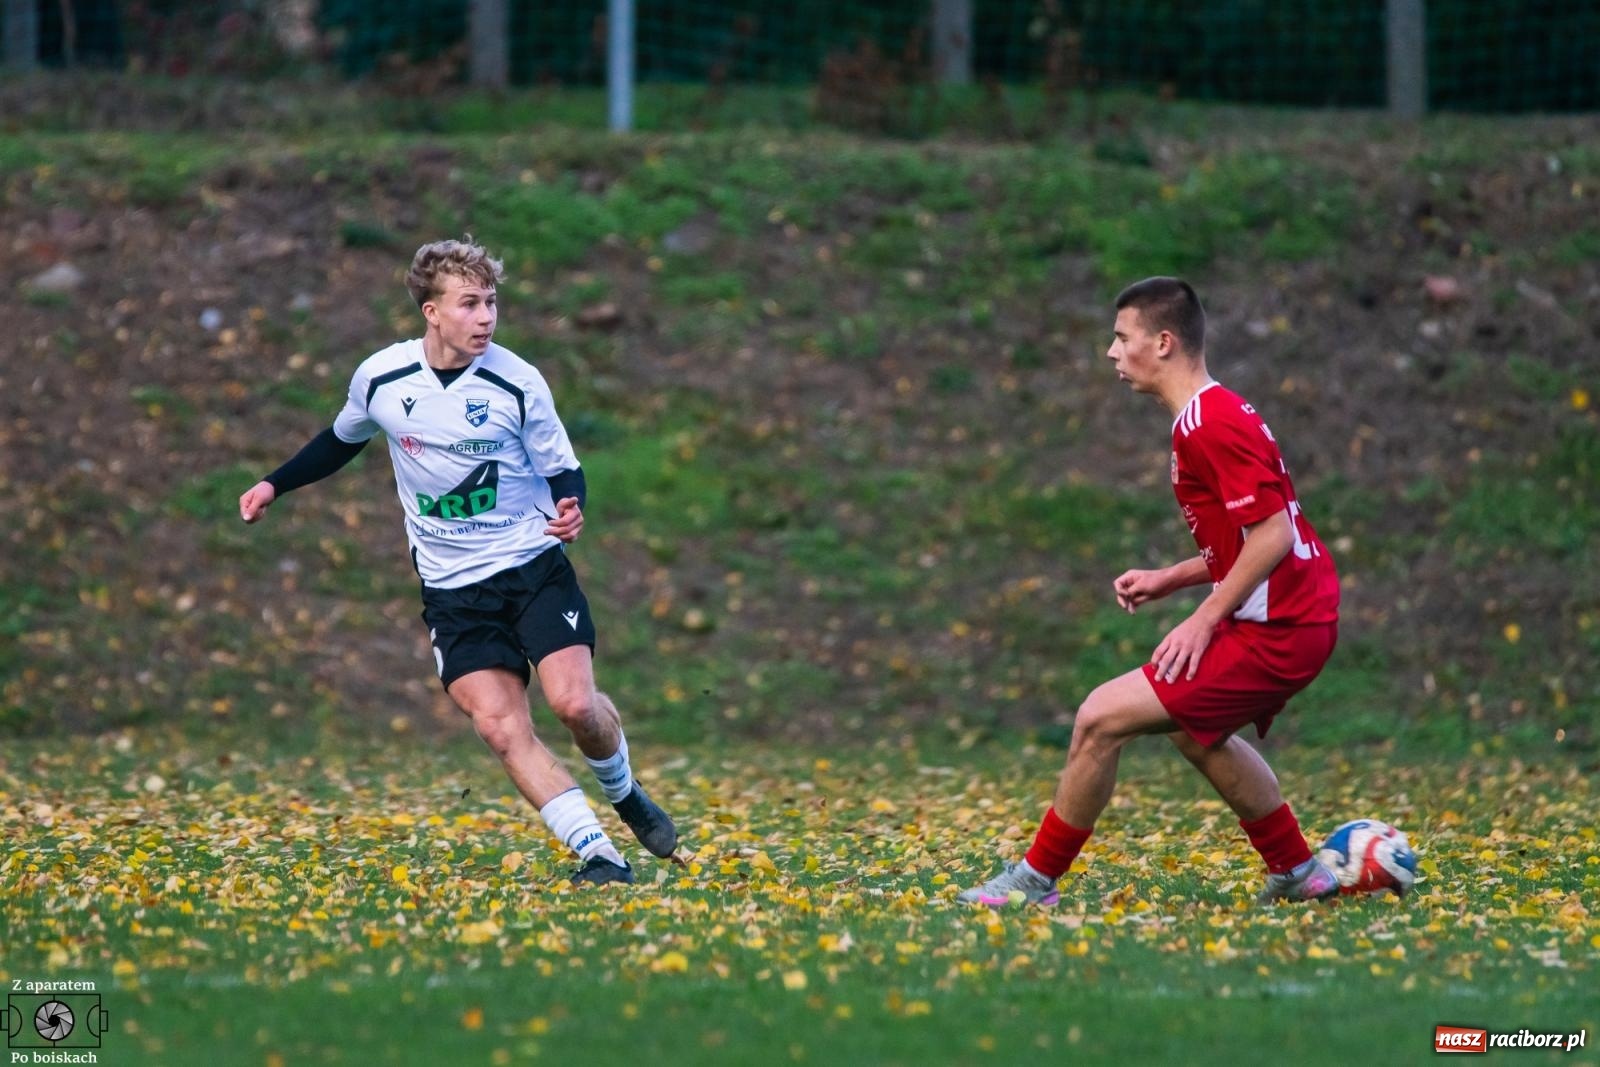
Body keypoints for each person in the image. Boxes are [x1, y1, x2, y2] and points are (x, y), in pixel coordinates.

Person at [239, 237, 678, 886]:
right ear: (431, 312)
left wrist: (570, 504)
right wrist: (274, 482)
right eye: (469, 303)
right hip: (452, 590)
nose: (485, 318)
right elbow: (341, 439)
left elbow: (563, 467)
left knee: (576, 706)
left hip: (531, 567)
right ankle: (601, 856)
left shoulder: (516, 380)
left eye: (492, 303)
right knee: (501, 727)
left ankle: (627, 793)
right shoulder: (383, 377)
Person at [959, 277, 1342, 907]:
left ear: (1163, 342)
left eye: (1121, 337)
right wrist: (1172, 578)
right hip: (1291, 617)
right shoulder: (1212, 414)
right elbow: (1256, 534)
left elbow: (1273, 534)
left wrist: (1204, 618)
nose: (1111, 351)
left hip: (1282, 629)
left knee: (1098, 719)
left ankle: (1034, 882)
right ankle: (1298, 872)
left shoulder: (1208, 424)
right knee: (1195, 730)